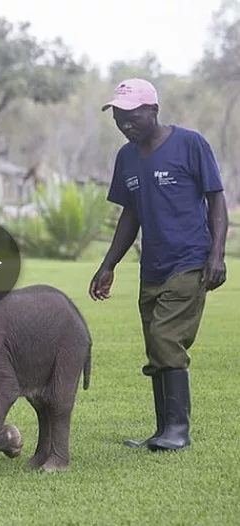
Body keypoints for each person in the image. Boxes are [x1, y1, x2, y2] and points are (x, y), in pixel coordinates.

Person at [89, 78, 228, 452]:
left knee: (167, 340)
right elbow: (129, 214)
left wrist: (216, 255)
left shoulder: (190, 144)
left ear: (152, 110)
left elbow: (216, 201)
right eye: (118, 117)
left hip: (189, 261)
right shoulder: (127, 158)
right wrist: (108, 265)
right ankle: (163, 430)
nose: (124, 124)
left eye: (131, 116)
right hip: (151, 267)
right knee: (156, 344)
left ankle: (178, 431)